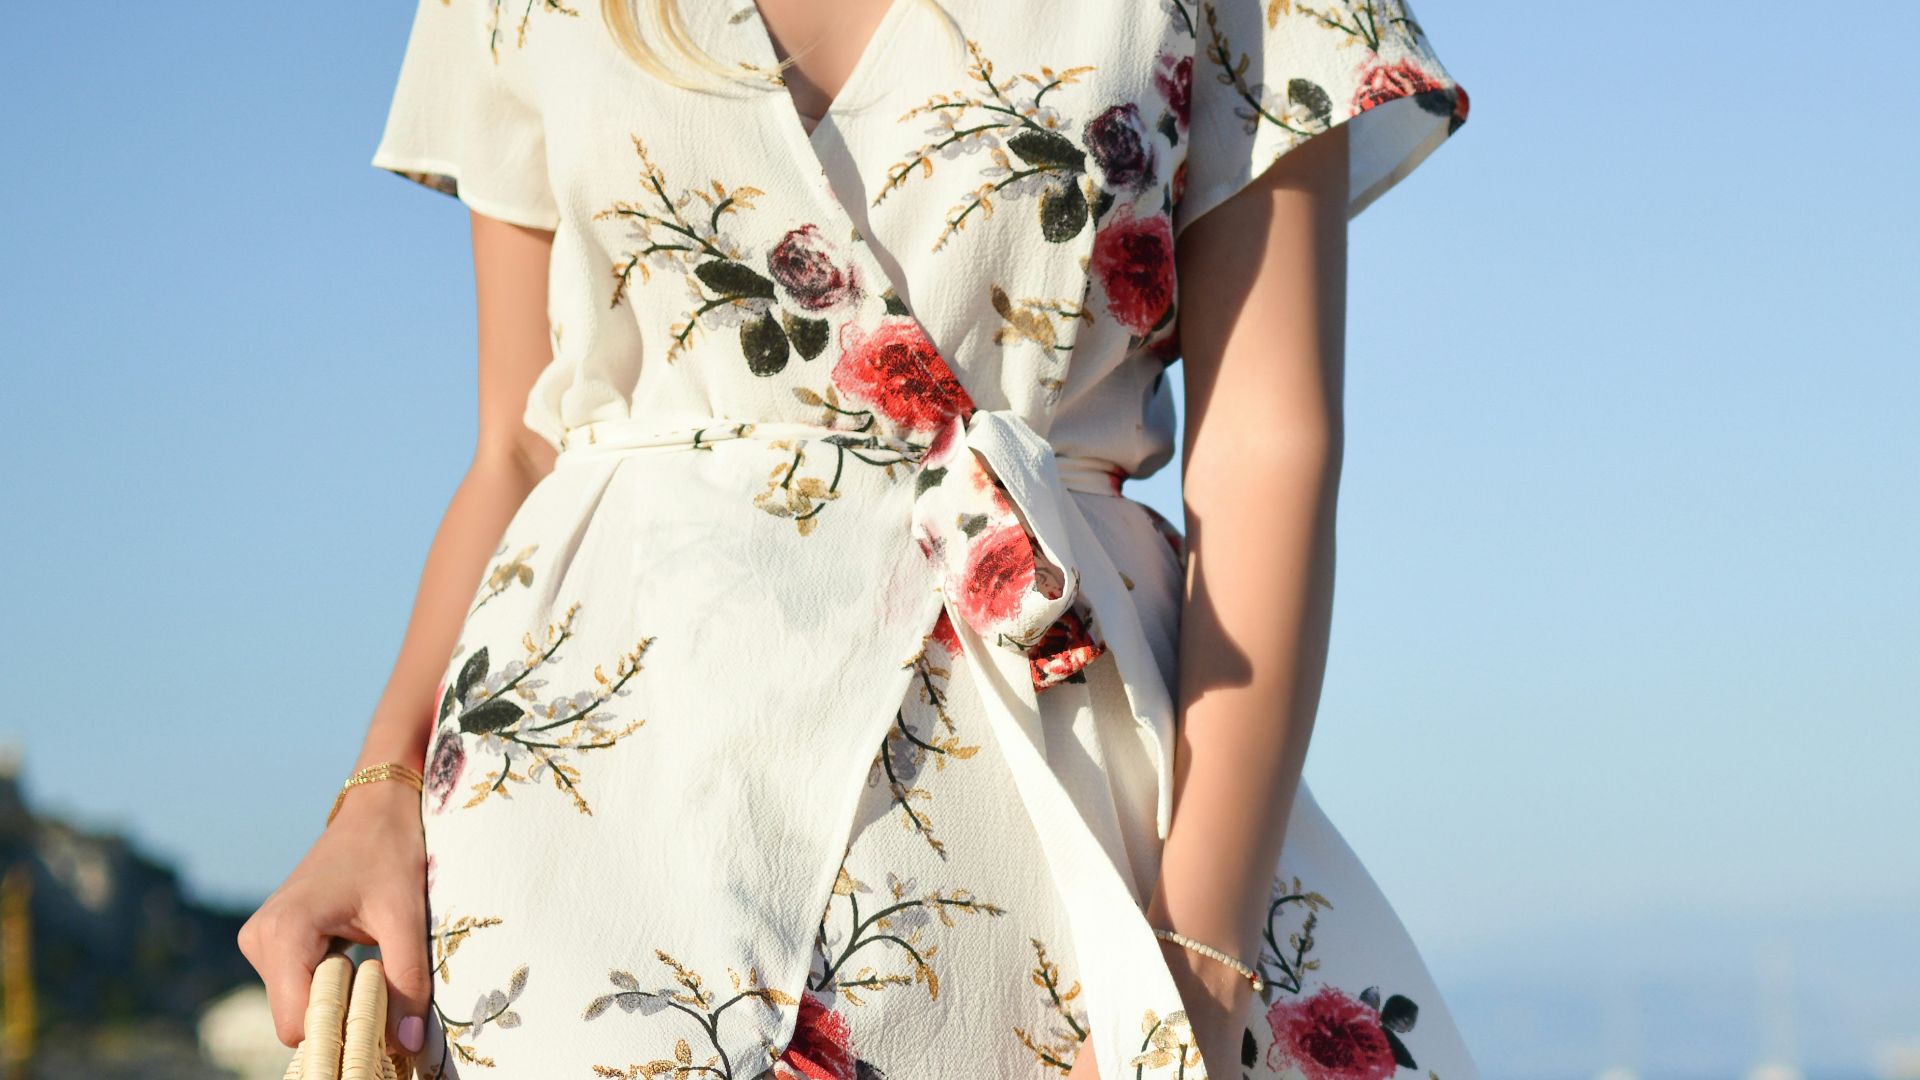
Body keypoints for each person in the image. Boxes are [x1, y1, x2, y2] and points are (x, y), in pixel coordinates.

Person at [238, 1, 1478, 1077]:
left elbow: (1269, 452)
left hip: (1037, 813)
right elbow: (520, 443)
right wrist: (379, 788)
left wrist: (1193, 978)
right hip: (584, 828)